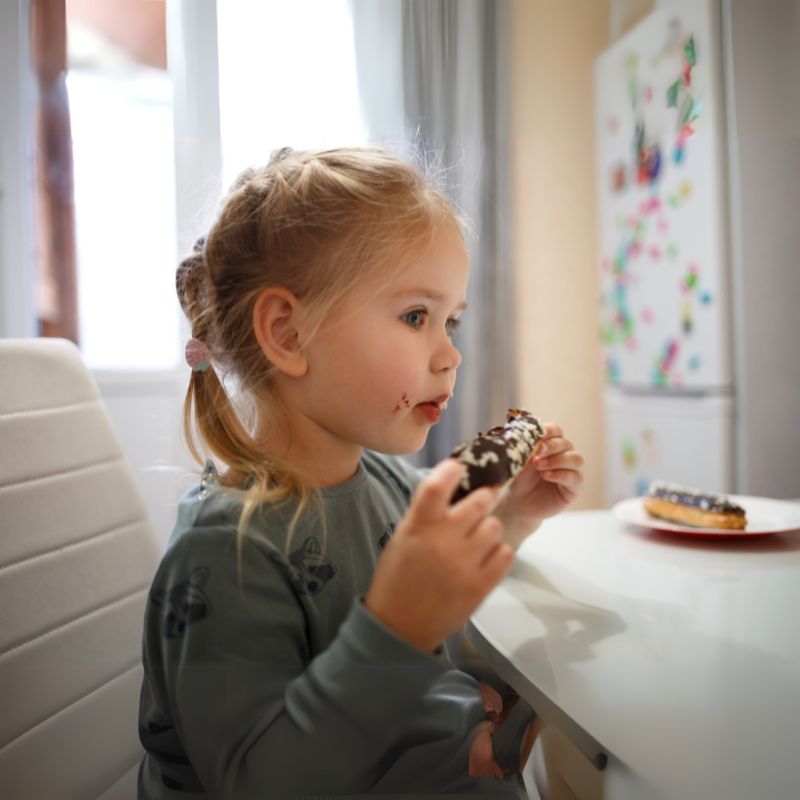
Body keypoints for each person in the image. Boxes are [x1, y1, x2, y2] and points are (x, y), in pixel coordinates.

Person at [138, 147, 585, 800]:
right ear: (288, 334)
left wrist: (515, 514)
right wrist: (397, 627)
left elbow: (436, 614)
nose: (451, 353)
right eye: (415, 317)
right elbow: (261, 781)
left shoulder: (384, 480)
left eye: (450, 320)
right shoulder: (224, 553)